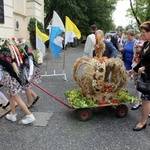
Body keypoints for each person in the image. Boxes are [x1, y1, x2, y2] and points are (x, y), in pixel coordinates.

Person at [0, 40, 35, 124]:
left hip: (11, 81)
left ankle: (29, 115)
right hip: (12, 80)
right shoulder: (12, 59)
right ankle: (13, 114)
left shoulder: (3, 62)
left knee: (17, 98)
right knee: (10, 95)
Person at [129, 21, 150, 131]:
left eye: (144, 32)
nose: (142, 34)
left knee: (145, 100)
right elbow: (142, 61)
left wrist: (146, 68)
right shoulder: (146, 44)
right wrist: (133, 70)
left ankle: (142, 122)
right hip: (146, 77)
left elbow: (146, 65)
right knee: (146, 99)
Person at [17, 38, 41, 109]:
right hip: (25, 70)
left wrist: (30, 76)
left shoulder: (28, 53)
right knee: (26, 86)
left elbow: (31, 65)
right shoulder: (21, 51)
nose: (19, 47)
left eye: (21, 45)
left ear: (23, 45)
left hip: (30, 71)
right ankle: (35, 96)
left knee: (27, 87)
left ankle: (29, 103)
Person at [131, 41, 143, 110]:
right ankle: (139, 101)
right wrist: (132, 73)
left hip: (140, 73)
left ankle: (138, 102)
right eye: (136, 47)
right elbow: (134, 63)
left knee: (138, 88)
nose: (136, 48)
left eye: (138, 47)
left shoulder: (141, 56)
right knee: (136, 87)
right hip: (135, 72)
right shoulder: (136, 54)